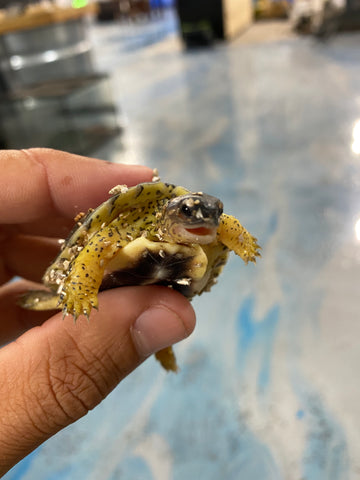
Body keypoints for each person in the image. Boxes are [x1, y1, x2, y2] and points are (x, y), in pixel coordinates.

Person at [0, 148, 196, 476]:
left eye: (211, 213)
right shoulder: (137, 219)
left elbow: (225, 228)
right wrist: (79, 289)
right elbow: (98, 244)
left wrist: (241, 242)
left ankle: (163, 350)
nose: (201, 218)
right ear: (171, 212)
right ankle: (67, 295)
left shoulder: (201, 230)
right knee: (147, 312)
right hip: (102, 280)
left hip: (164, 282)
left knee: (160, 305)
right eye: (189, 211)